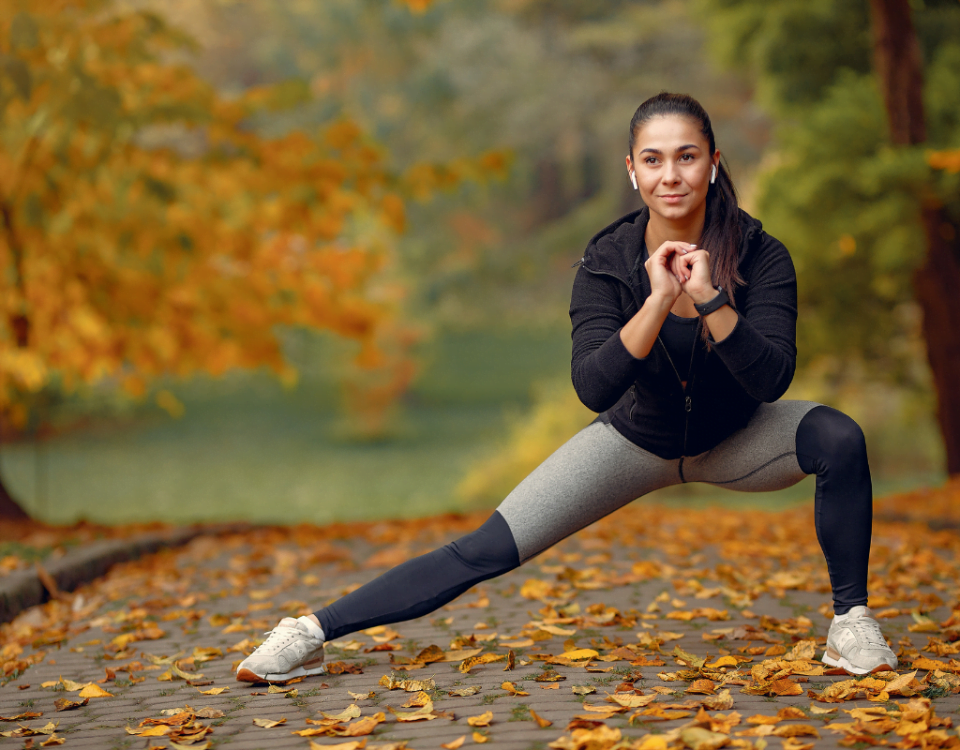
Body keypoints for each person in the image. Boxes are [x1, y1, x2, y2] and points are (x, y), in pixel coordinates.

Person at [235, 91, 898, 684]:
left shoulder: (760, 253)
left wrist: (712, 300)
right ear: (631, 169)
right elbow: (593, 385)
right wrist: (658, 301)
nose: (672, 175)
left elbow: (773, 376)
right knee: (486, 548)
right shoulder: (607, 262)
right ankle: (310, 632)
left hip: (740, 438)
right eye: (655, 159)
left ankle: (852, 624)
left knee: (839, 437)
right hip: (634, 440)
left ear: (714, 163)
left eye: (688, 157)